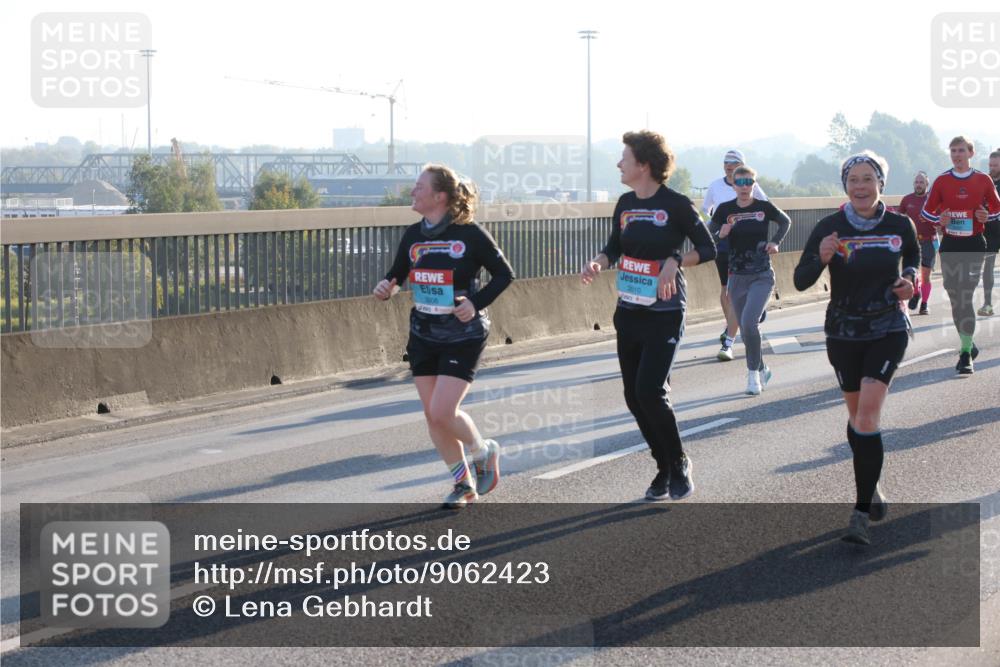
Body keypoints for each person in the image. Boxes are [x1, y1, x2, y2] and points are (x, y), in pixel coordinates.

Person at [581, 131, 715, 501]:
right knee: (633, 396)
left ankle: (679, 461)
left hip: (665, 311)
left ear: (644, 165)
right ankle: (663, 466)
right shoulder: (624, 203)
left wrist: (674, 261)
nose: (619, 163)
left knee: (650, 391)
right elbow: (614, 247)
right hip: (629, 310)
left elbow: (709, 248)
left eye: (624, 157)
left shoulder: (676, 204)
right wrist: (599, 261)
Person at [793, 150, 919, 545]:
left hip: (887, 327)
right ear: (845, 185)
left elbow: (913, 259)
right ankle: (873, 483)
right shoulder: (830, 226)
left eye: (868, 179)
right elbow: (799, 280)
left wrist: (910, 281)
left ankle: (860, 513)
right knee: (857, 420)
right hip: (843, 330)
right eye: (853, 180)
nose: (860, 186)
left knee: (866, 417)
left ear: (881, 182)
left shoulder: (900, 224)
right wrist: (823, 256)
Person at [374, 164, 514, 508]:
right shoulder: (413, 235)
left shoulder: (470, 234)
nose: (412, 192)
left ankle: (483, 451)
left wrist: (475, 303)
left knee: (443, 410)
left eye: (418, 187)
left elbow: (504, 274)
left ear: (439, 196)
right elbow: (397, 275)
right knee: (432, 415)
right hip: (423, 333)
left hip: (462, 334)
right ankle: (463, 484)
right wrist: (386, 287)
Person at [920, 136, 1000, 374]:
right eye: (953, 150)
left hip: (975, 245)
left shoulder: (983, 180)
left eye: (961, 150)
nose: (957, 155)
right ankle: (969, 343)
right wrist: (939, 220)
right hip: (950, 245)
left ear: (970, 153)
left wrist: (987, 216)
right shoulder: (942, 181)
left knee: (964, 296)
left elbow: (997, 209)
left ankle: (965, 355)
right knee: (956, 298)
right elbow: (926, 212)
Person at [709, 165, 790, 395]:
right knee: (746, 329)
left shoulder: (763, 208)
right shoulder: (725, 209)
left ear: (754, 184)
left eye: (749, 182)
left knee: (748, 323)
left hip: (762, 274)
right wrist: (720, 234)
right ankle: (763, 368)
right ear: (733, 185)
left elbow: (785, 222)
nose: (744, 187)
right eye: (739, 182)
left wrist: (775, 242)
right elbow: (708, 236)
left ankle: (752, 377)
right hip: (736, 276)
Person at [702, 149, 769, 362]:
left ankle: (733, 331)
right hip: (724, 245)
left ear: (741, 165)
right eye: (726, 162)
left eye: (733, 162)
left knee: (740, 289)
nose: (729, 165)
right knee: (727, 289)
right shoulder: (715, 186)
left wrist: (765, 238)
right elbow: (706, 210)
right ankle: (732, 324)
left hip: (748, 248)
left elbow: (766, 209)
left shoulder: (751, 185)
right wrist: (714, 227)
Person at [897, 172, 936, 315]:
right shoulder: (907, 200)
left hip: (929, 241)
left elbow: (940, 218)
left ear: (927, 184)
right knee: (911, 273)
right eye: (916, 182)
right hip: (912, 242)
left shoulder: (933, 199)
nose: (918, 185)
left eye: (921, 182)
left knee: (926, 275)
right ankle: (916, 293)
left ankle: (924, 304)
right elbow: (899, 219)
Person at [978, 150, 1000, 316]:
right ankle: (987, 304)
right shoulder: (984, 181)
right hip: (990, 230)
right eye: (990, 165)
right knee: (988, 267)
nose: (992, 168)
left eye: (995, 165)